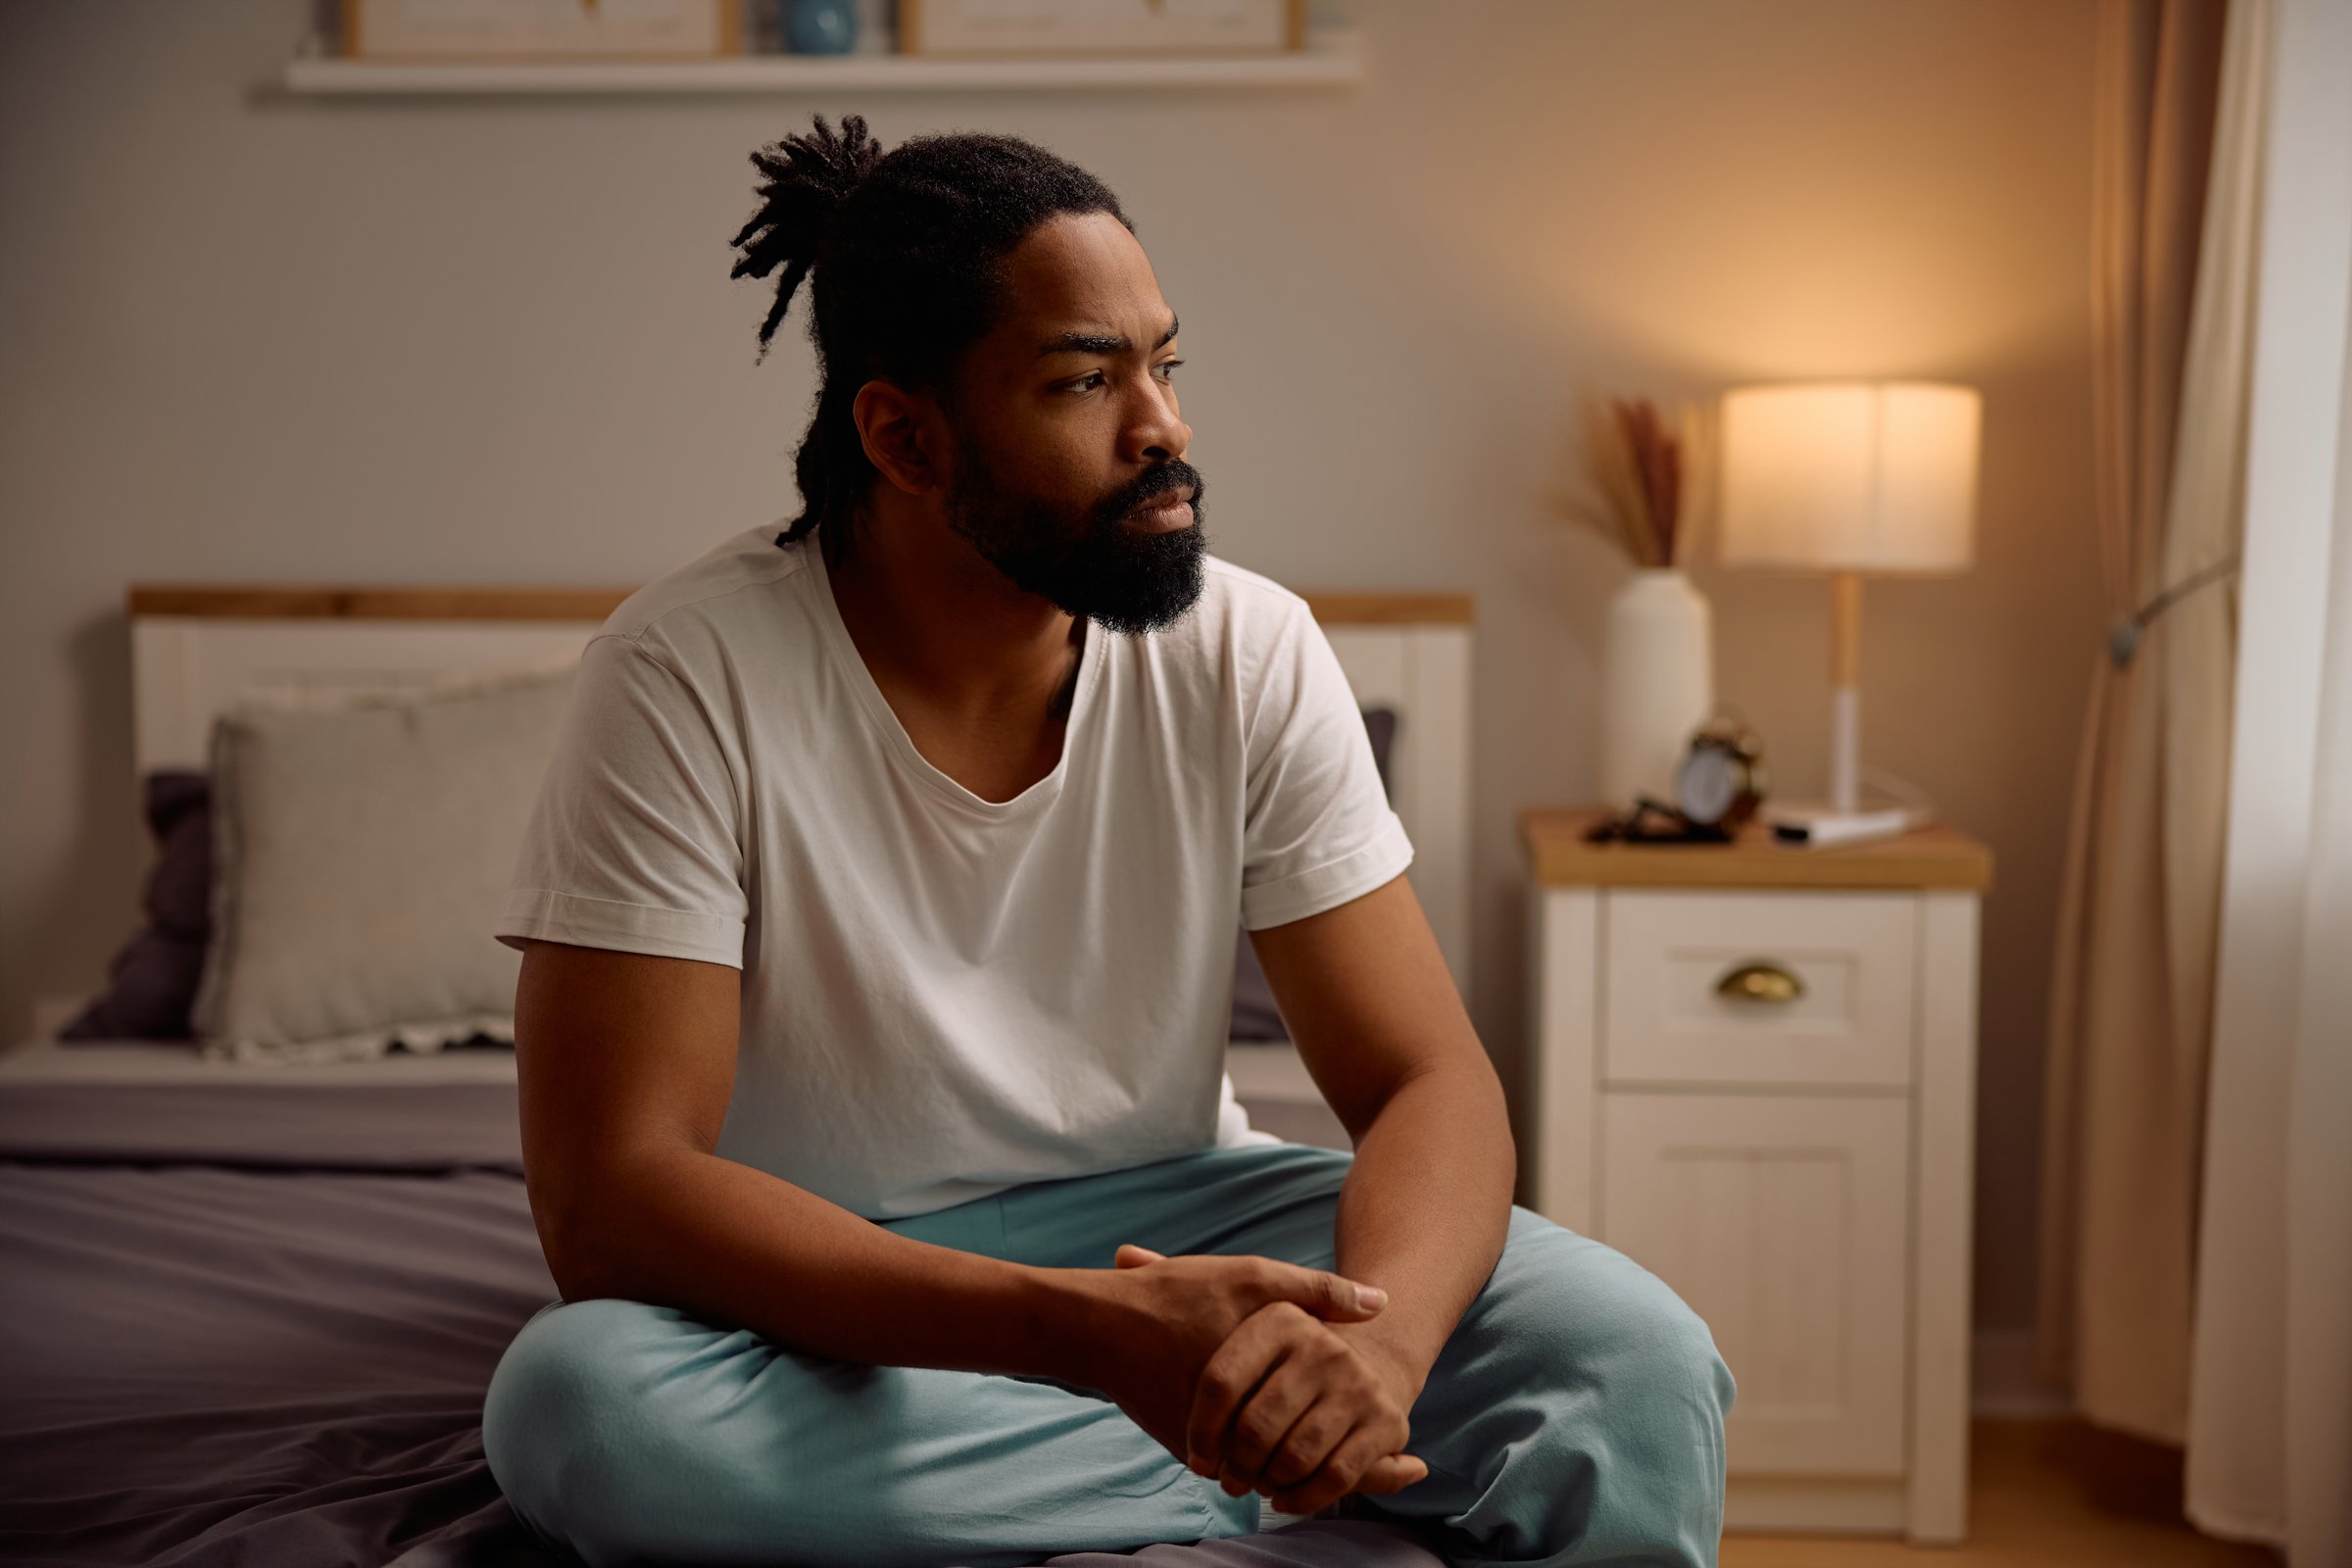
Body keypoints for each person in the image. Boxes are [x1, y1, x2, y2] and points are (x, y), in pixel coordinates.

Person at [479, 114, 1734, 1568]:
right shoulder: (682, 674)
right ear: (903, 434)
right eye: (1086, 379)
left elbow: (1425, 1076)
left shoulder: (1247, 648)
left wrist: (1375, 1360)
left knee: (1638, 1360)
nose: (1165, 427)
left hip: (1180, 1223)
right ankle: (1268, 1469)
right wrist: (1084, 1339)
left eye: (1165, 363)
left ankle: (1251, 1441)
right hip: (839, 1284)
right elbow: (613, 1197)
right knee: (586, 1414)